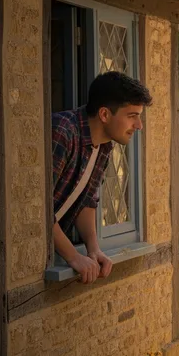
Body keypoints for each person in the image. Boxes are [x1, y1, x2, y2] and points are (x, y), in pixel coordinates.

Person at [52, 71, 152, 284]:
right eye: (132, 116)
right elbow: (36, 209)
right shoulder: (63, 131)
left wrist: (93, 249)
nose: (139, 126)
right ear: (105, 114)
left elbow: (87, 200)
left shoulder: (104, 146)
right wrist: (72, 256)